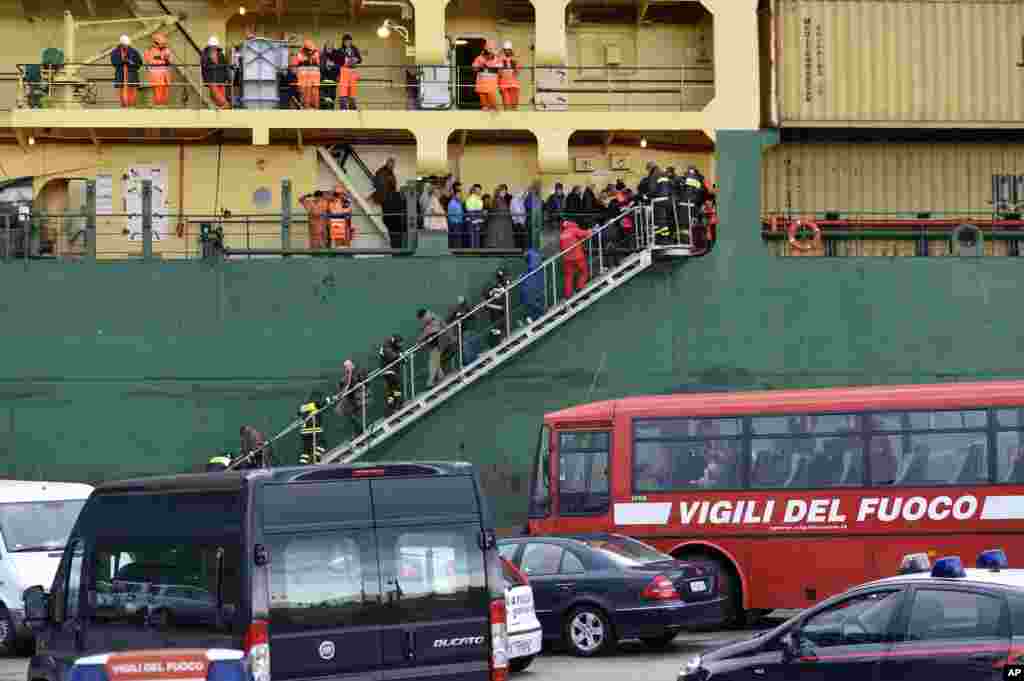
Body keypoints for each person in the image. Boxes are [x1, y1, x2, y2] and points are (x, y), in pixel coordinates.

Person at [559, 219, 592, 298]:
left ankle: (568, 294)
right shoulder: (573, 230)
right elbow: (586, 234)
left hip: (567, 259)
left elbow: (561, 247)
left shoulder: (562, 235)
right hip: (578, 257)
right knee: (584, 272)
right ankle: (580, 287)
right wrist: (591, 230)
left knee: (568, 276)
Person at [337, 359, 370, 434]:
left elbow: (364, 380)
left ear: (351, 365)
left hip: (359, 396)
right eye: (345, 367)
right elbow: (345, 385)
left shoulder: (358, 371)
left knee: (353, 414)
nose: (346, 368)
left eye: (347, 366)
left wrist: (360, 383)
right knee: (350, 415)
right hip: (352, 398)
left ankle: (360, 429)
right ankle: (358, 430)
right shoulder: (347, 375)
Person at [481, 268, 512, 348]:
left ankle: (503, 344)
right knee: (496, 330)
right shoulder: (494, 286)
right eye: (500, 277)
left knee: (500, 329)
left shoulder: (505, 287)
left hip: (501, 314)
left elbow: (503, 307)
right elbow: (486, 294)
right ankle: (497, 344)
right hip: (495, 315)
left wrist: (488, 305)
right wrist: (492, 292)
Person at [416, 308, 446, 387]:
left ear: (425, 315)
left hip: (438, 344)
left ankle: (430, 381)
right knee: (435, 361)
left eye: (422, 319)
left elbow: (434, 329)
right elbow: (427, 331)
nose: (422, 321)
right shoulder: (429, 321)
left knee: (432, 363)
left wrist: (421, 338)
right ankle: (441, 376)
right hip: (434, 345)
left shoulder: (434, 319)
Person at [111, 35, 142, 108]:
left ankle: (132, 106)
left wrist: (131, 63)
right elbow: (114, 62)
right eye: (124, 45)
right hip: (121, 75)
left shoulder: (134, 52)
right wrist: (122, 61)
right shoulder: (115, 52)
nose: (126, 46)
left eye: (127, 45)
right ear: (121, 44)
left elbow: (139, 63)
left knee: (132, 91)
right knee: (122, 91)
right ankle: (124, 106)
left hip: (132, 74)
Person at [298, 390, 327, 465]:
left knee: (306, 450)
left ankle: (302, 465)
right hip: (314, 429)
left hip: (304, 432)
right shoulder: (313, 404)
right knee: (322, 444)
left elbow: (299, 413)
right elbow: (320, 404)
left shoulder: (302, 407)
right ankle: (316, 458)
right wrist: (329, 399)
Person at [144, 33, 172, 107]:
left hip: (165, 76)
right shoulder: (149, 51)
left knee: (165, 92)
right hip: (156, 76)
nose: (163, 45)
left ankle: (164, 106)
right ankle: (158, 106)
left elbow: (170, 61)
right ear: (156, 42)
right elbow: (149, 62)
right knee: (157, 92)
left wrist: (166, 59)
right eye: (162, 43)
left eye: (164, 43)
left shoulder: (166, 50)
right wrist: (162, 58)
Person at [201, 36, 230, 108]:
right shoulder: (205, 55)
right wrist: (206, 80)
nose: (213, 48)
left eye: (214, 46)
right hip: (211, 80)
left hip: (221, 80)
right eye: (212, 46)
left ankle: (223, 109)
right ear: (209, 47)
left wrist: (227, 78)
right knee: (219, 99)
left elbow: (225, 67)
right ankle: (227, 106)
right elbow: (204, 68)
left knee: (220, 98)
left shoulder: (221, 55)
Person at [335, 34, 362, 110]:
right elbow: (337, 62)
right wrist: (338, 75)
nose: (347, 42)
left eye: (349, 41)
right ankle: (343, 108)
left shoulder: (354, 49)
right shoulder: (340, 50)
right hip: (343, 72)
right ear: (343, 42)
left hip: (353, 72)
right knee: (343, 91)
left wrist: (355, 59)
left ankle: (353, 108)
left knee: (352, 92)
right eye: (346, 41)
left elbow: (360, 59)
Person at [472, 40, 501, 111]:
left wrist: (489, 64)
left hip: (491, 86)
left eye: (492, 51)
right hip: (481, 85)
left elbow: (500, 70)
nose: (490, 54)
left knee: (493, 107)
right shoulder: (479, 58)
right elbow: (474, 69)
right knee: (484, 107)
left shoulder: (497, 59)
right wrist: (481, 65)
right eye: (488, 51)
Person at [292, 39, 321, 109]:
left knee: (314, 98)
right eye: (308, 49)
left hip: (313, 82)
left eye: (311, 49)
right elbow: (294, 68)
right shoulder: (299, 54)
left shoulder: (316, 54)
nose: (310, 51)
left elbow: (318, 66)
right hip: (304, 82)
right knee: (305, 99)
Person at [378, 335, 404, 412]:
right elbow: (392, 356)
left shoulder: (395, 346)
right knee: (396, 386)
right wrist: (400, 356)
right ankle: (395, 403)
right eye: (399, 343)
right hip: (388, 370)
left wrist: (402, 357)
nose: (401, 345)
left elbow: (402, 357)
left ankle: (392, 405)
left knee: (392, 389)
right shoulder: (386, 346)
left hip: (393, 370)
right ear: (395, 342)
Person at [486, 184, 515, 249]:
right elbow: (503, 210)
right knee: (499, 241)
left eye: (505, 192)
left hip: (501, 223)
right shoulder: (498, 200)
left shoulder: (499, 199)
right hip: (499, 224)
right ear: (499, 191)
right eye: (503, 191)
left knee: (499, 241)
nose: (504, 193)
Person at [520, 247, 545, 323]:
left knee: (532, 302)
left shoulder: (532, 256)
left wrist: (522, 276)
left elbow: (532, 267)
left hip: (533, 286)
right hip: (535, 285)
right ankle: (536, 316)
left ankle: (534, 316)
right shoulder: (535, 255)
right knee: (534, 301)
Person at [498, 40, 521, 110]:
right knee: (506, 106)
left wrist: (514, 63)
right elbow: (499, 73)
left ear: (511, 50)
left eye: (508, 50)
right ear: (503, 50)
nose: (507, 51)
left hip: (514, 84)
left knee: (514, 106)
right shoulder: (499, 59)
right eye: (505, 50)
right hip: (504, 85)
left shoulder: (515, 59)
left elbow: (517, 73)